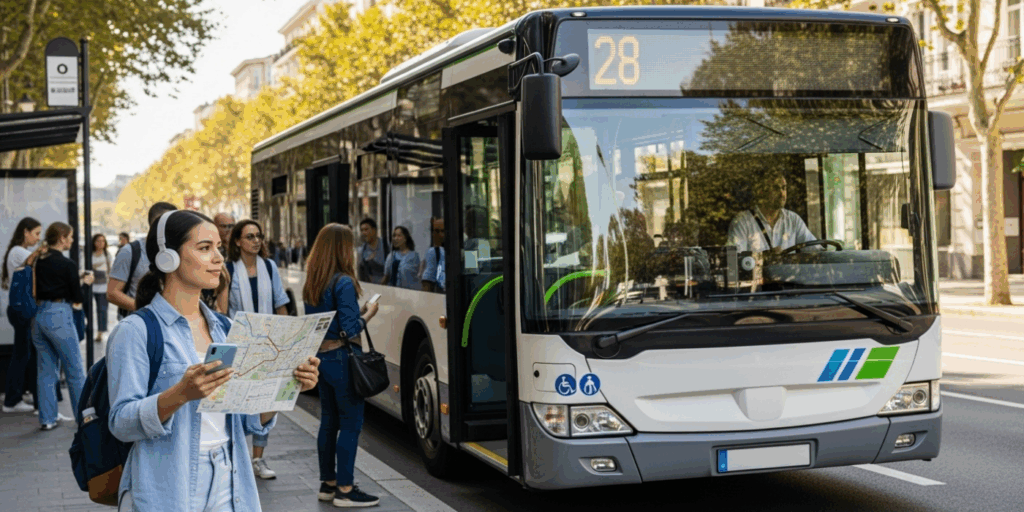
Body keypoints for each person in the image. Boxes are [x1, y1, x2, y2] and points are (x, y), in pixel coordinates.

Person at [105, 210, 320, 512]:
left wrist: (288, 383)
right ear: (168, 258)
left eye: (219, 246)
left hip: (230, 480)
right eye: (205, 248)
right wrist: (181, 394)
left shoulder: (225, 328)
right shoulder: (135, 331)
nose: (218, 257)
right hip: (168, 487)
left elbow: (246, 422)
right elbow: (121, 422)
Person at [303, 223, 380, 508]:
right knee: (350, 424)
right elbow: (349, 329)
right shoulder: (344, 282)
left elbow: (328, 323)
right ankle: (346, 490)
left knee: (328, 422)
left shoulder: (314, 280)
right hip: (343, 360)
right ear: (342, 249)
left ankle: (328, 484)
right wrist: (368, 314)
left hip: (321, 359)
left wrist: (352, 315)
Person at [225, 219, 290, 479]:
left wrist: (286, 338)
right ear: (238, 242)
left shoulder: (269, 267)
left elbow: (280, 302)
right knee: (239, 401)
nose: (256, 240)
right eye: (250, 236)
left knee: (267, 399)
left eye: (259, 236)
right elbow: (222, 308)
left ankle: (258, 459)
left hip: (268, 344)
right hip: (238, 343)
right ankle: (237, 454)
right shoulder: (229, 268)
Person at [32, 222, 92, 430]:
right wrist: (85, 282)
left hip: (39, 316)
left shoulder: (40, 261)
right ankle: (84, 418)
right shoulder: (68, 264)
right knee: (75, 369)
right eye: (71, 237)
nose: (73, 241)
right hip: (59, 315)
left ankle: (47, 419)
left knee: (46, 370)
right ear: (62, 238)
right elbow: (77, 297)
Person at [109, 202, 178, 319]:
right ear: (155, 223)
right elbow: (112, 293)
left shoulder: (177, 250)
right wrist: (148, 310)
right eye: (170, 221)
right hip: (137, 325)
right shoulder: (130, 251)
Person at [2, 217, 42, 413]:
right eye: (36, 233)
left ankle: (16, 397)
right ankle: (12, 399)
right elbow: (39, 265)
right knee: (23, 355)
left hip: (17, 309)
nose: (38, 238)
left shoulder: (16, 252)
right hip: (23, 310)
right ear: (25, 232)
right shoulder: (20, 252)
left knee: (23, 354)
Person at [727, 172, 817, 253]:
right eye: (775, 188)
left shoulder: (793, 220)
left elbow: (815, 250)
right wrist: (763, 258)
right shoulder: (742, 222)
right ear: (761, 192)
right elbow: (734, 260)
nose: (782, 194)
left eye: (784, 188)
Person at [90, 234, 112, 342]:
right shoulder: (89, 254)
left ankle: (100, 332)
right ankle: (88, 329)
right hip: (90, 285)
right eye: (98, 241)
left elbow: (110, 270)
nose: (100, 243)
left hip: (103, 286)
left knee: (102, 310)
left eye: (103, 241)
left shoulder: (107, 255)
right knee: (87, 309)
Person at [357, 218, 386, 283]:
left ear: (374, 230)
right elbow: (361, 273)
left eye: (366, 229)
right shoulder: (362, 251)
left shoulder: (386, 246)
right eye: (362, 230)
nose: (363, 233)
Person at [421, 217, 445, 293]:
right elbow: (427, 285)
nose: (440, 235)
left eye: (443, 231)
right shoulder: (433, 252)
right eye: (437, 231)